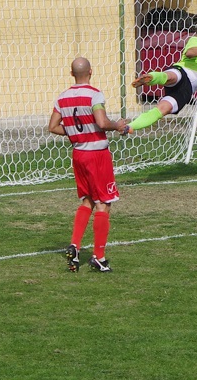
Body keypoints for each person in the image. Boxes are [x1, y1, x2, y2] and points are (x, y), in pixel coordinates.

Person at [47, 57, 133, 271]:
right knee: (104, 203)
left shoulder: (63, 97)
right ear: (91, 72)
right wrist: (117, 125)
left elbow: (52, 126)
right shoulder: (94, 94)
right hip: (97, 155)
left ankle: (75, 245)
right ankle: (99, 257)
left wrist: (76, 132)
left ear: (71, 73)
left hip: (78, 155)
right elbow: (102, 122)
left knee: (87, 201)